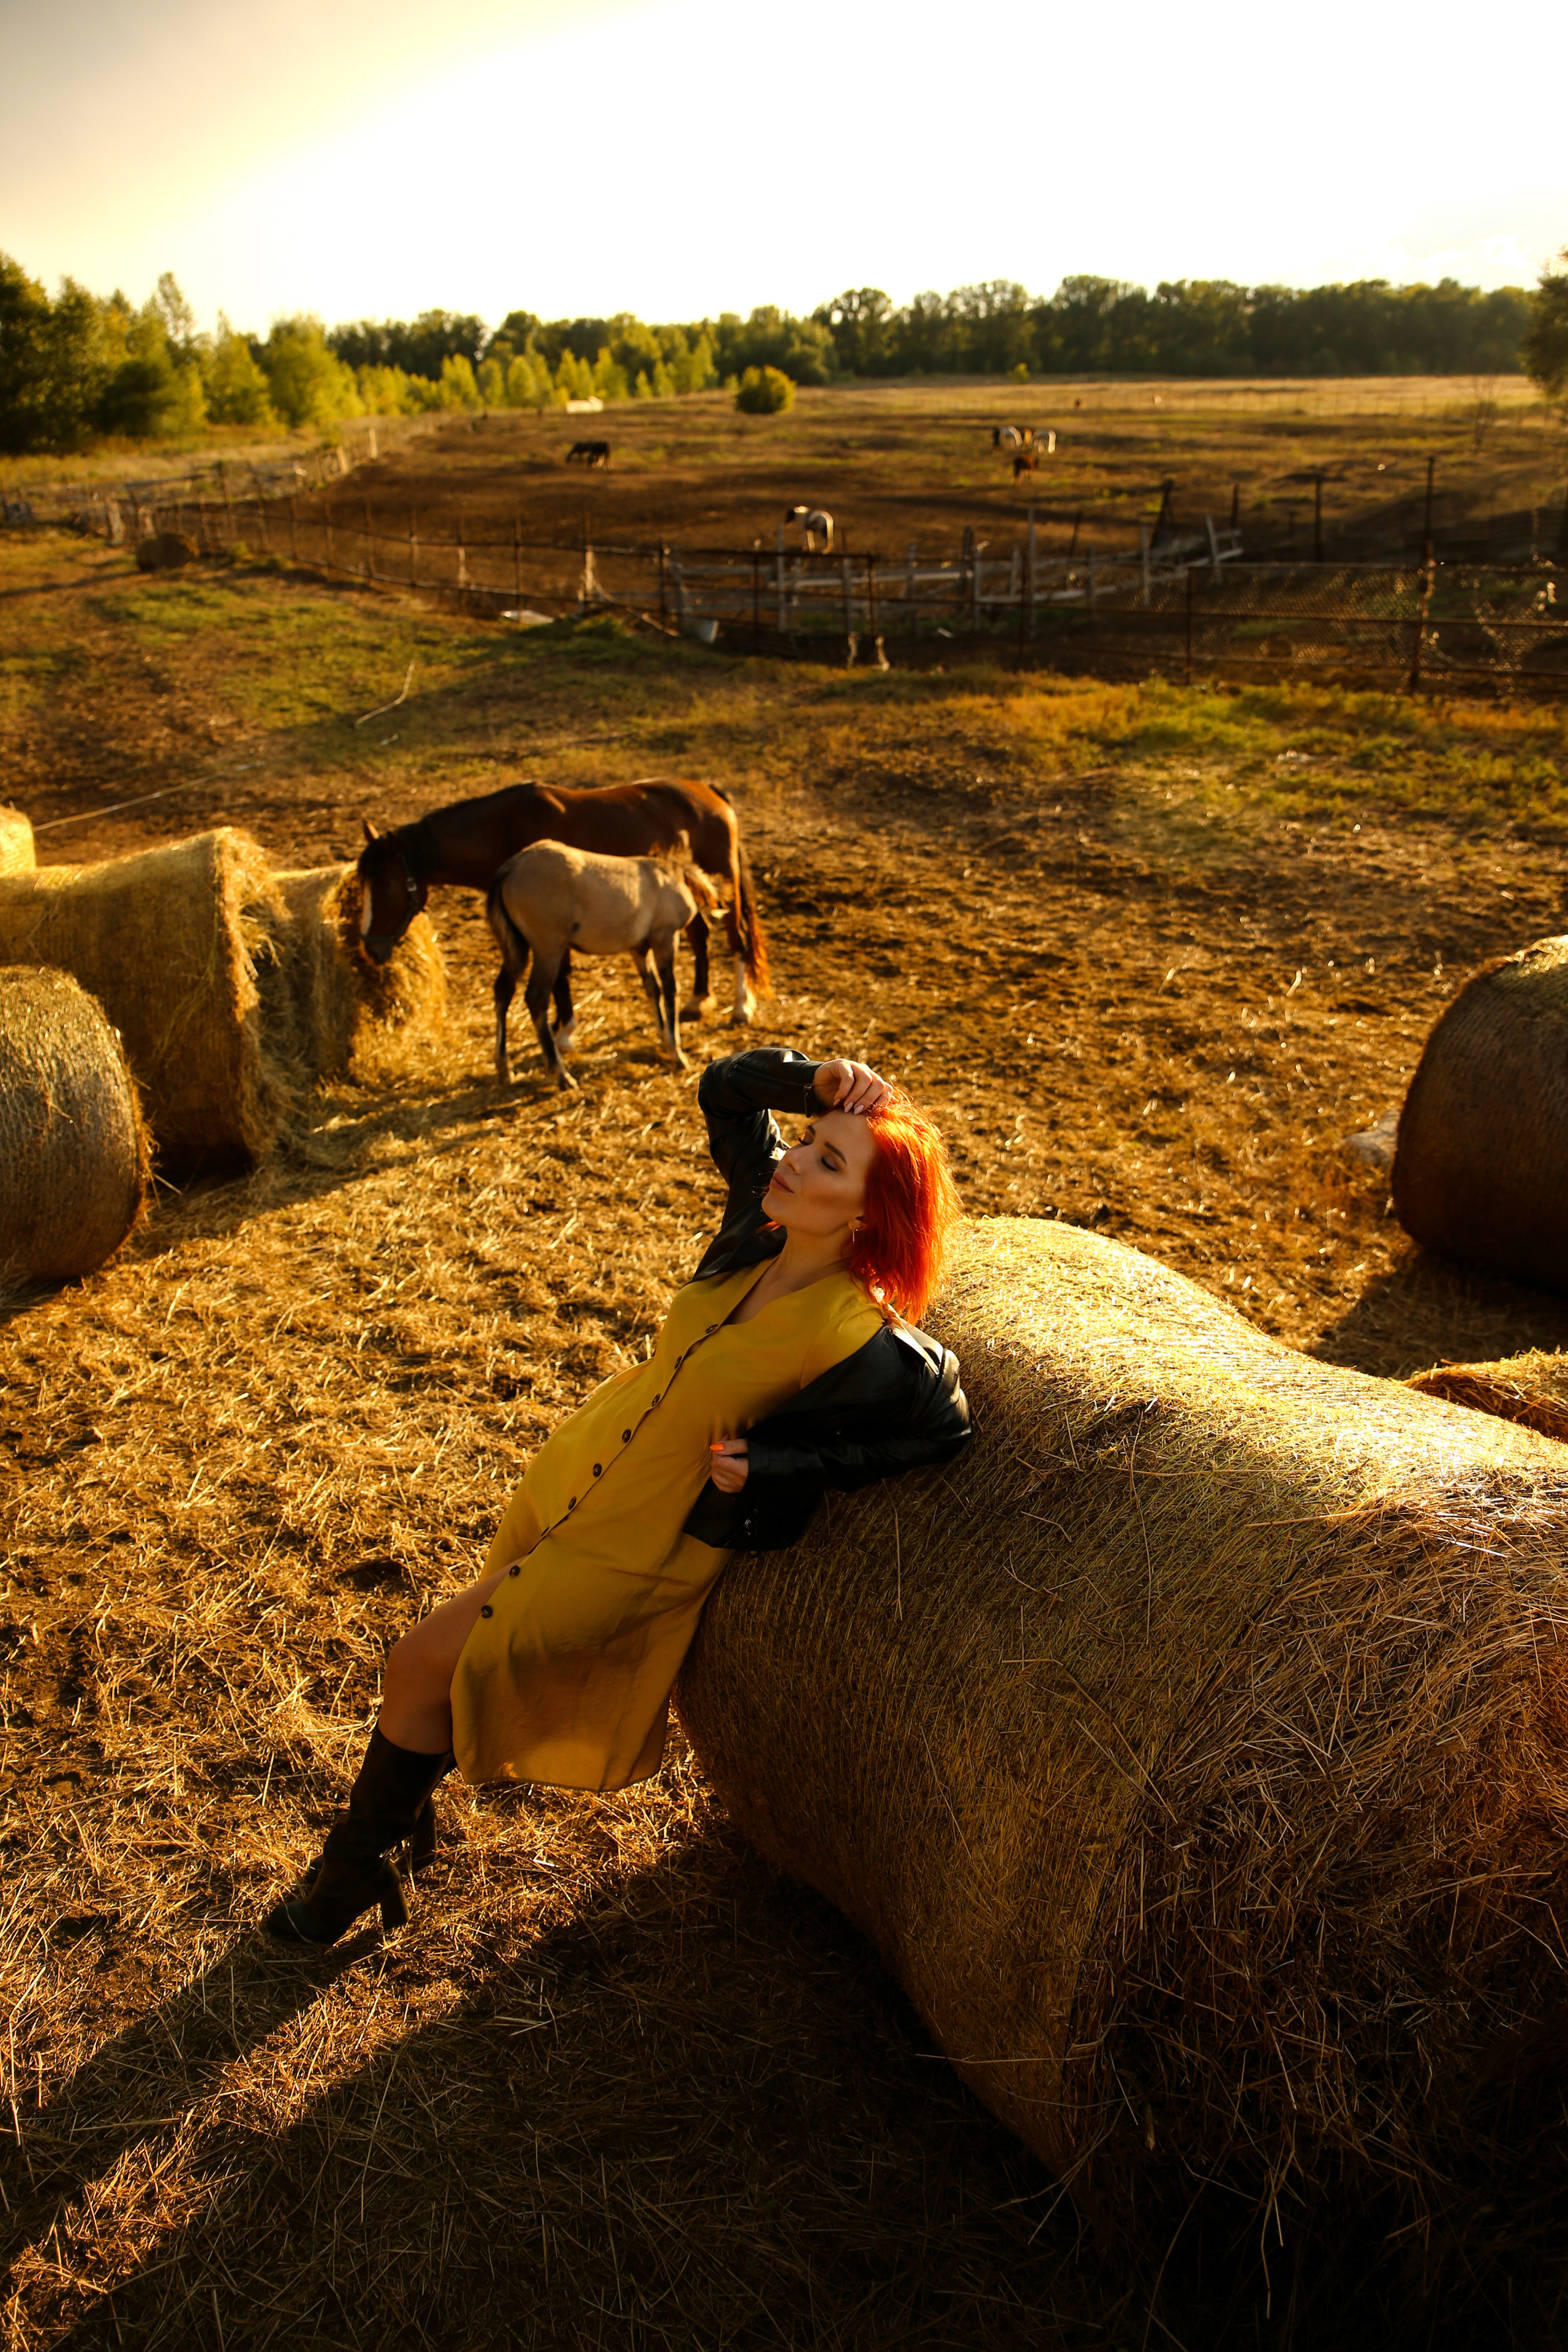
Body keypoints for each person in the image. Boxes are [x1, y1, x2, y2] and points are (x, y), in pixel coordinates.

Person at [266, 1047, 970, 1947]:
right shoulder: (758, 1235)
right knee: (443, 1668)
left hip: (636, 1547)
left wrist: (784, 1467)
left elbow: (944, 1424)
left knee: (418, 1662)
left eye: (829, 1161)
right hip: (575, 1475)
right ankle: (393, 1838)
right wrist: (819, 1083)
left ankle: (347, 1878)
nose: (794, 1161)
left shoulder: (855, 1332)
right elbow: (722, 1090)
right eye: (805, 1142)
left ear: (871, 1212)